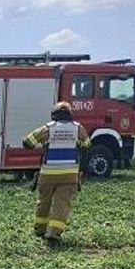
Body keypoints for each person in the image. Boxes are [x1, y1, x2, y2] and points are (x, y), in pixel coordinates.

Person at [22, 101, 91, 242]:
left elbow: (27, 142)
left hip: (48, 174)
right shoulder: (78, 128)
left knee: (44, 202)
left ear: (54, 114)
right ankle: (54, 233)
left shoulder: (48, 128)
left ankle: (40, 230)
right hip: (70, 174)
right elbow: (87, 145)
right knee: (62, 204)